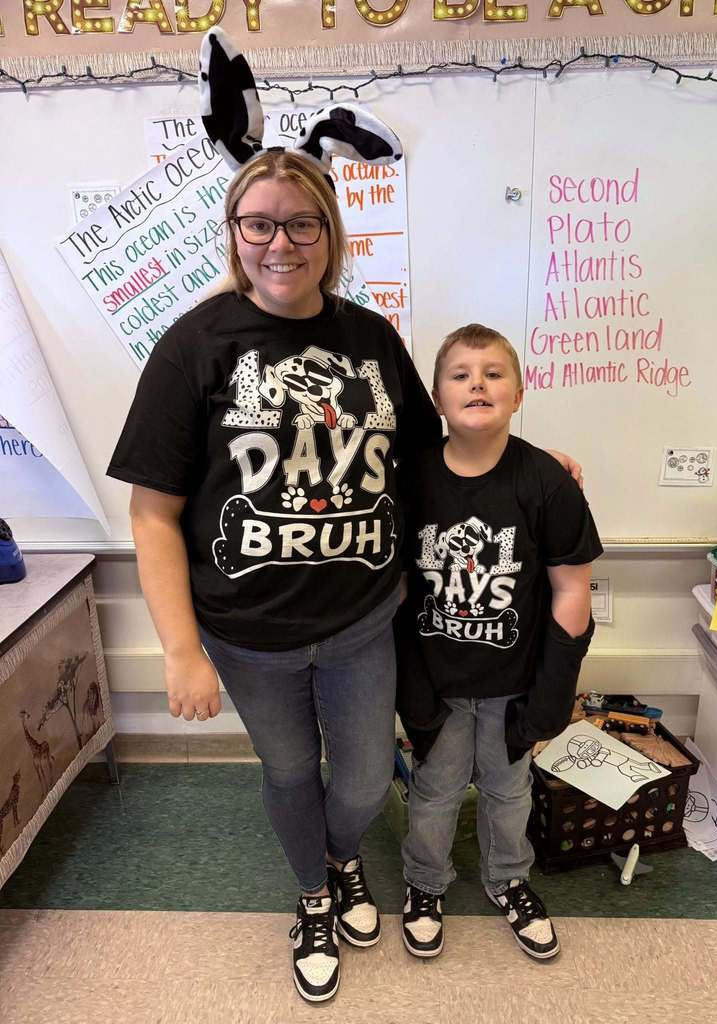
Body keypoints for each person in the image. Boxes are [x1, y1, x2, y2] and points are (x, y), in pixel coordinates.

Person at [107, 28, 584, 1004]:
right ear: (234, 233)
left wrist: (533, 463)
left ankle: (345, 851)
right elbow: (152, 514)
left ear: (332, 231)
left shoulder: (369, 338)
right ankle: (316, 886)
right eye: (258, 224)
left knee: (365, 780)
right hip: (247, 634)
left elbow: (426, 453)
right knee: (290, 772)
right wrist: (180, 649)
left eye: (301, 225)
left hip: (366, 618)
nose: (279, 243)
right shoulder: (191, 347)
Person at [394, 323, 602, 962]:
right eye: (460, 375)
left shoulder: (547, 482)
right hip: (437, 681)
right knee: (434, 790)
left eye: (492, 373)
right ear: (436, 398)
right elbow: (394, 593)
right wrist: (409, 688)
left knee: (510, 791)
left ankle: (509, 879)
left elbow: (571, 592)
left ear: (519, 392)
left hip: (514, 681)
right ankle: (425, 884)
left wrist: (551, 694)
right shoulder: (409, 480)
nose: (477, 384)